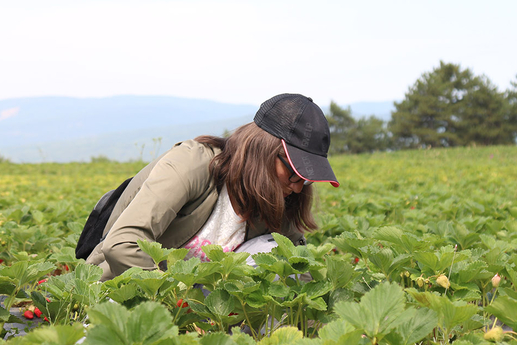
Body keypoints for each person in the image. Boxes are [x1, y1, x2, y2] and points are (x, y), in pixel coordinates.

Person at [85, 93, 340, 281]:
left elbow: (297, 266)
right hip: (130, 288)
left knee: (277, 253)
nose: (297, 188)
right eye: (295, 173)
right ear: (262, 150)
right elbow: (122, 243)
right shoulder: (191, 164)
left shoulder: (275, 199)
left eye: (306, 179)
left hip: (199, 305)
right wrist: (169, 307)